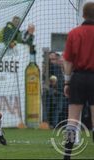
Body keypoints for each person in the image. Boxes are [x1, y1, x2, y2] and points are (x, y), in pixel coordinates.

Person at [63, 2, 94, 159]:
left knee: (72, 119)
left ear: (83, 15)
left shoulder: (74, 33)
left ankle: (67, 155)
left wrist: (67, 82)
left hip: (78, 77)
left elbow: (67, 62)